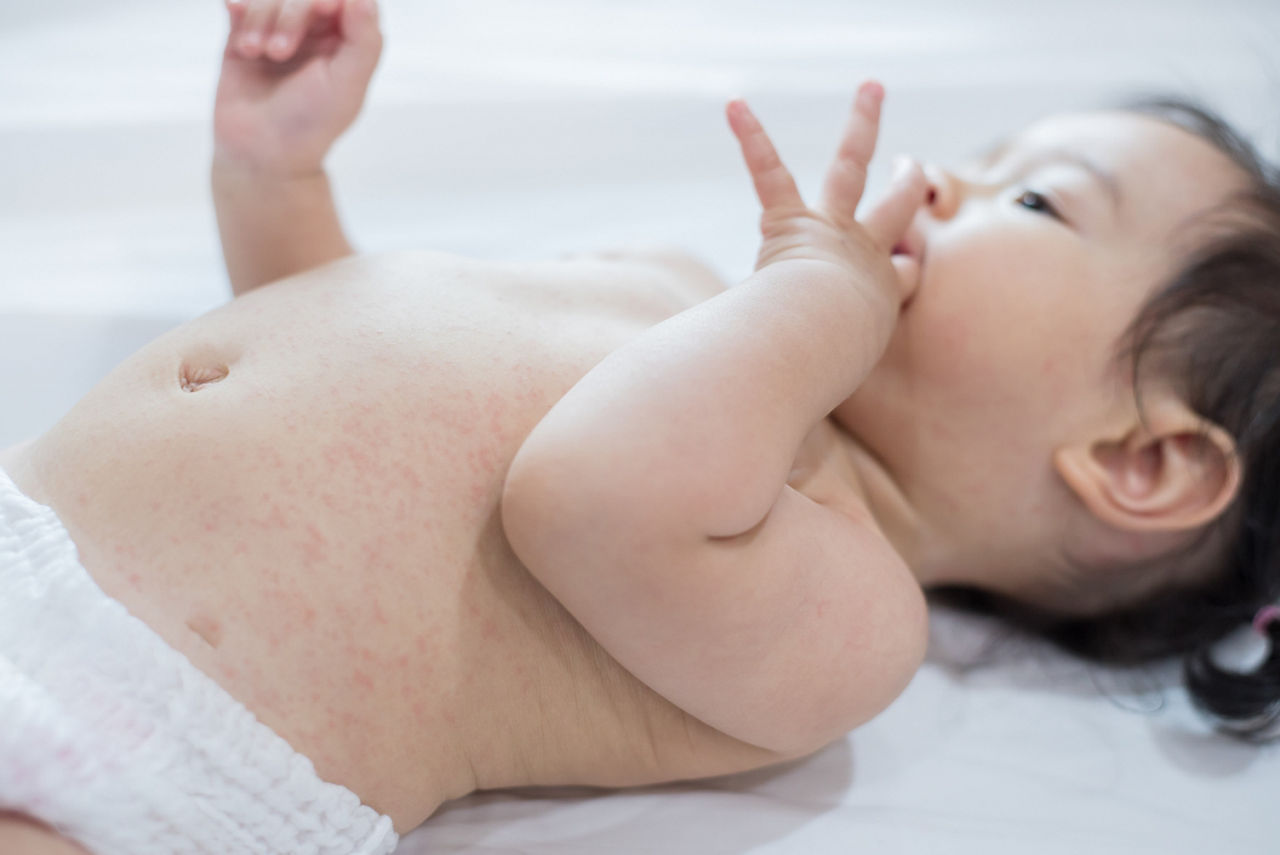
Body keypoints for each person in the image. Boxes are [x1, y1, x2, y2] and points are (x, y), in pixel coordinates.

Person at [2, 0, 1278, 851]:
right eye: (990, 154)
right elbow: (339, 332)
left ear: (1141, 461)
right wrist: (276, 172)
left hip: (154, 740)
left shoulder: (848, 613)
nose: (939, 176)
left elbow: (589, 495)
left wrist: (816, 306)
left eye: (1038, 202)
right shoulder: (678, 288)